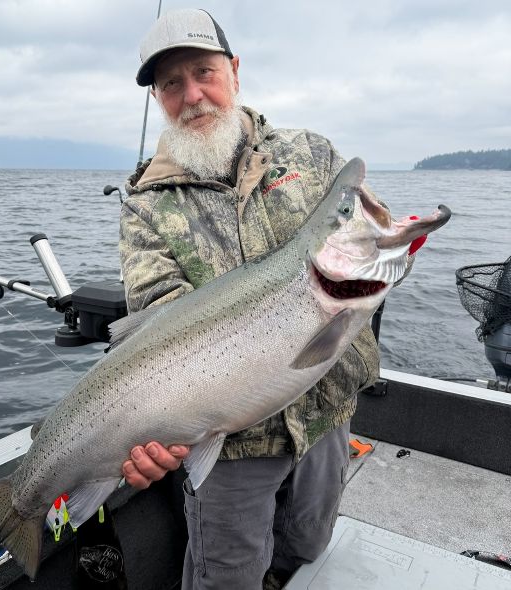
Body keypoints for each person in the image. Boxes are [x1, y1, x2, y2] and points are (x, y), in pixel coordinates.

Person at [118, 8, 381, 589]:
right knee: (227, 579)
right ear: (158, 99)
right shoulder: (145, 206)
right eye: (171, 84)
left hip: (324, 414)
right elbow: (160, 317)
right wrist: (154, 430)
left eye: (204, 73)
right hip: (229, 446)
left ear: (234, 70)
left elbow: (364, 238)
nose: (193, 96)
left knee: (308, 546)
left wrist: (391, 253)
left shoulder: (311, 155)